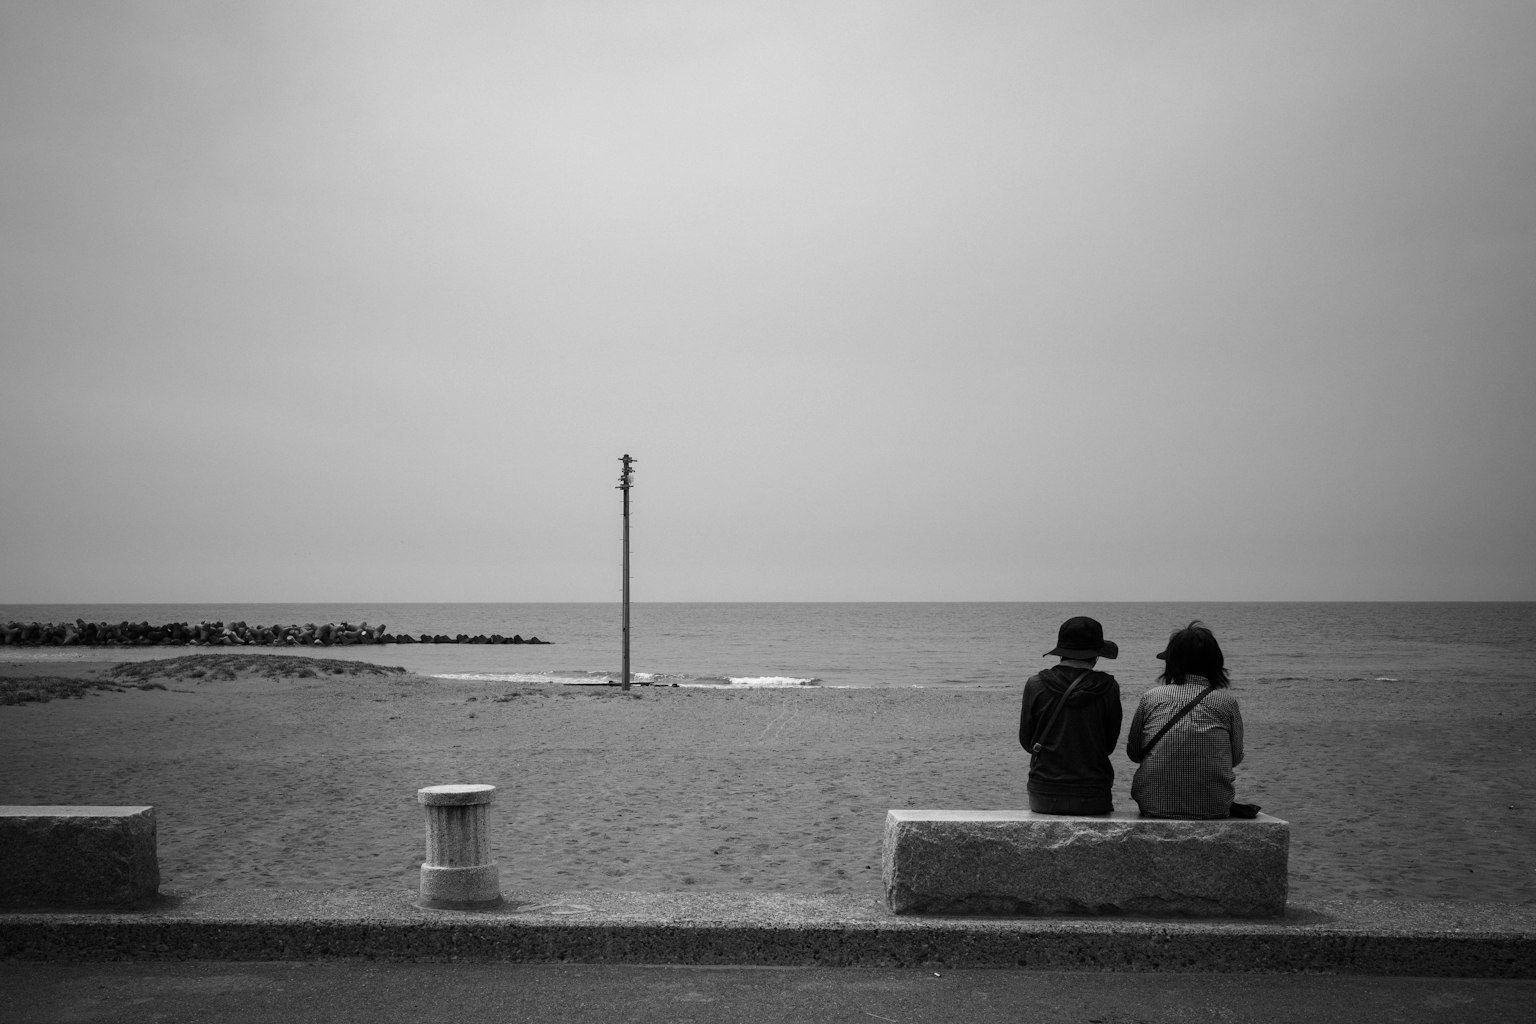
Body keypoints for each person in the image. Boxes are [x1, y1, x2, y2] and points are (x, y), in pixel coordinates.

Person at [1125, 621, 1246, 819]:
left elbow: (1134, 754)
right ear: (1216, 664)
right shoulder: (1226, 703)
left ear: (1171, 663)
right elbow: (1235, 758)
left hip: (1153, 804)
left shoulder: (1151, 697)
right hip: (1213, 806)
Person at [1018, 616, 1123, 815]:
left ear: (1061, 653)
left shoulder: (1035, 684)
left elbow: (1027, 742)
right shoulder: (1109, 687)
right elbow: (1109, 745)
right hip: (1094, 796)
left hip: (1044, 795)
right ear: (1096, 655)